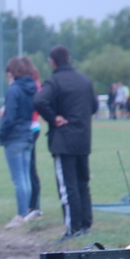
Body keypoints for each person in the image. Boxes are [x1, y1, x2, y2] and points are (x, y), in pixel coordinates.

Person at [33, 45, 98, 242]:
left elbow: (39, 101)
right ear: (69, 59)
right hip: (83, 139)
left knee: (68, 186)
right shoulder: (85, 80)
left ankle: (73, 229)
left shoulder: (54, 81)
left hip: (64, 141)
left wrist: (54, 118)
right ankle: (85, 225)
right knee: (83, 184)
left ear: (53, 62)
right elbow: (94, 106)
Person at [0, 57, 38, 229]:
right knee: (25, 176)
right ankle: (27, 210)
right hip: (28, 134)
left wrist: (1, 132)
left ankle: (21, 214)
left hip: (15, 138)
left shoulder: (14, 90)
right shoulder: (31, 88)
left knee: (19, 179)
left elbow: (10, 117)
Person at [24, 58, 44, 222]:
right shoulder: (31, 85)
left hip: (31, 128)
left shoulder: (33, 85)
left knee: (30, 168)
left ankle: (34, 206)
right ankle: (30, 205)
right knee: (27, 168)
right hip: (30, 128)